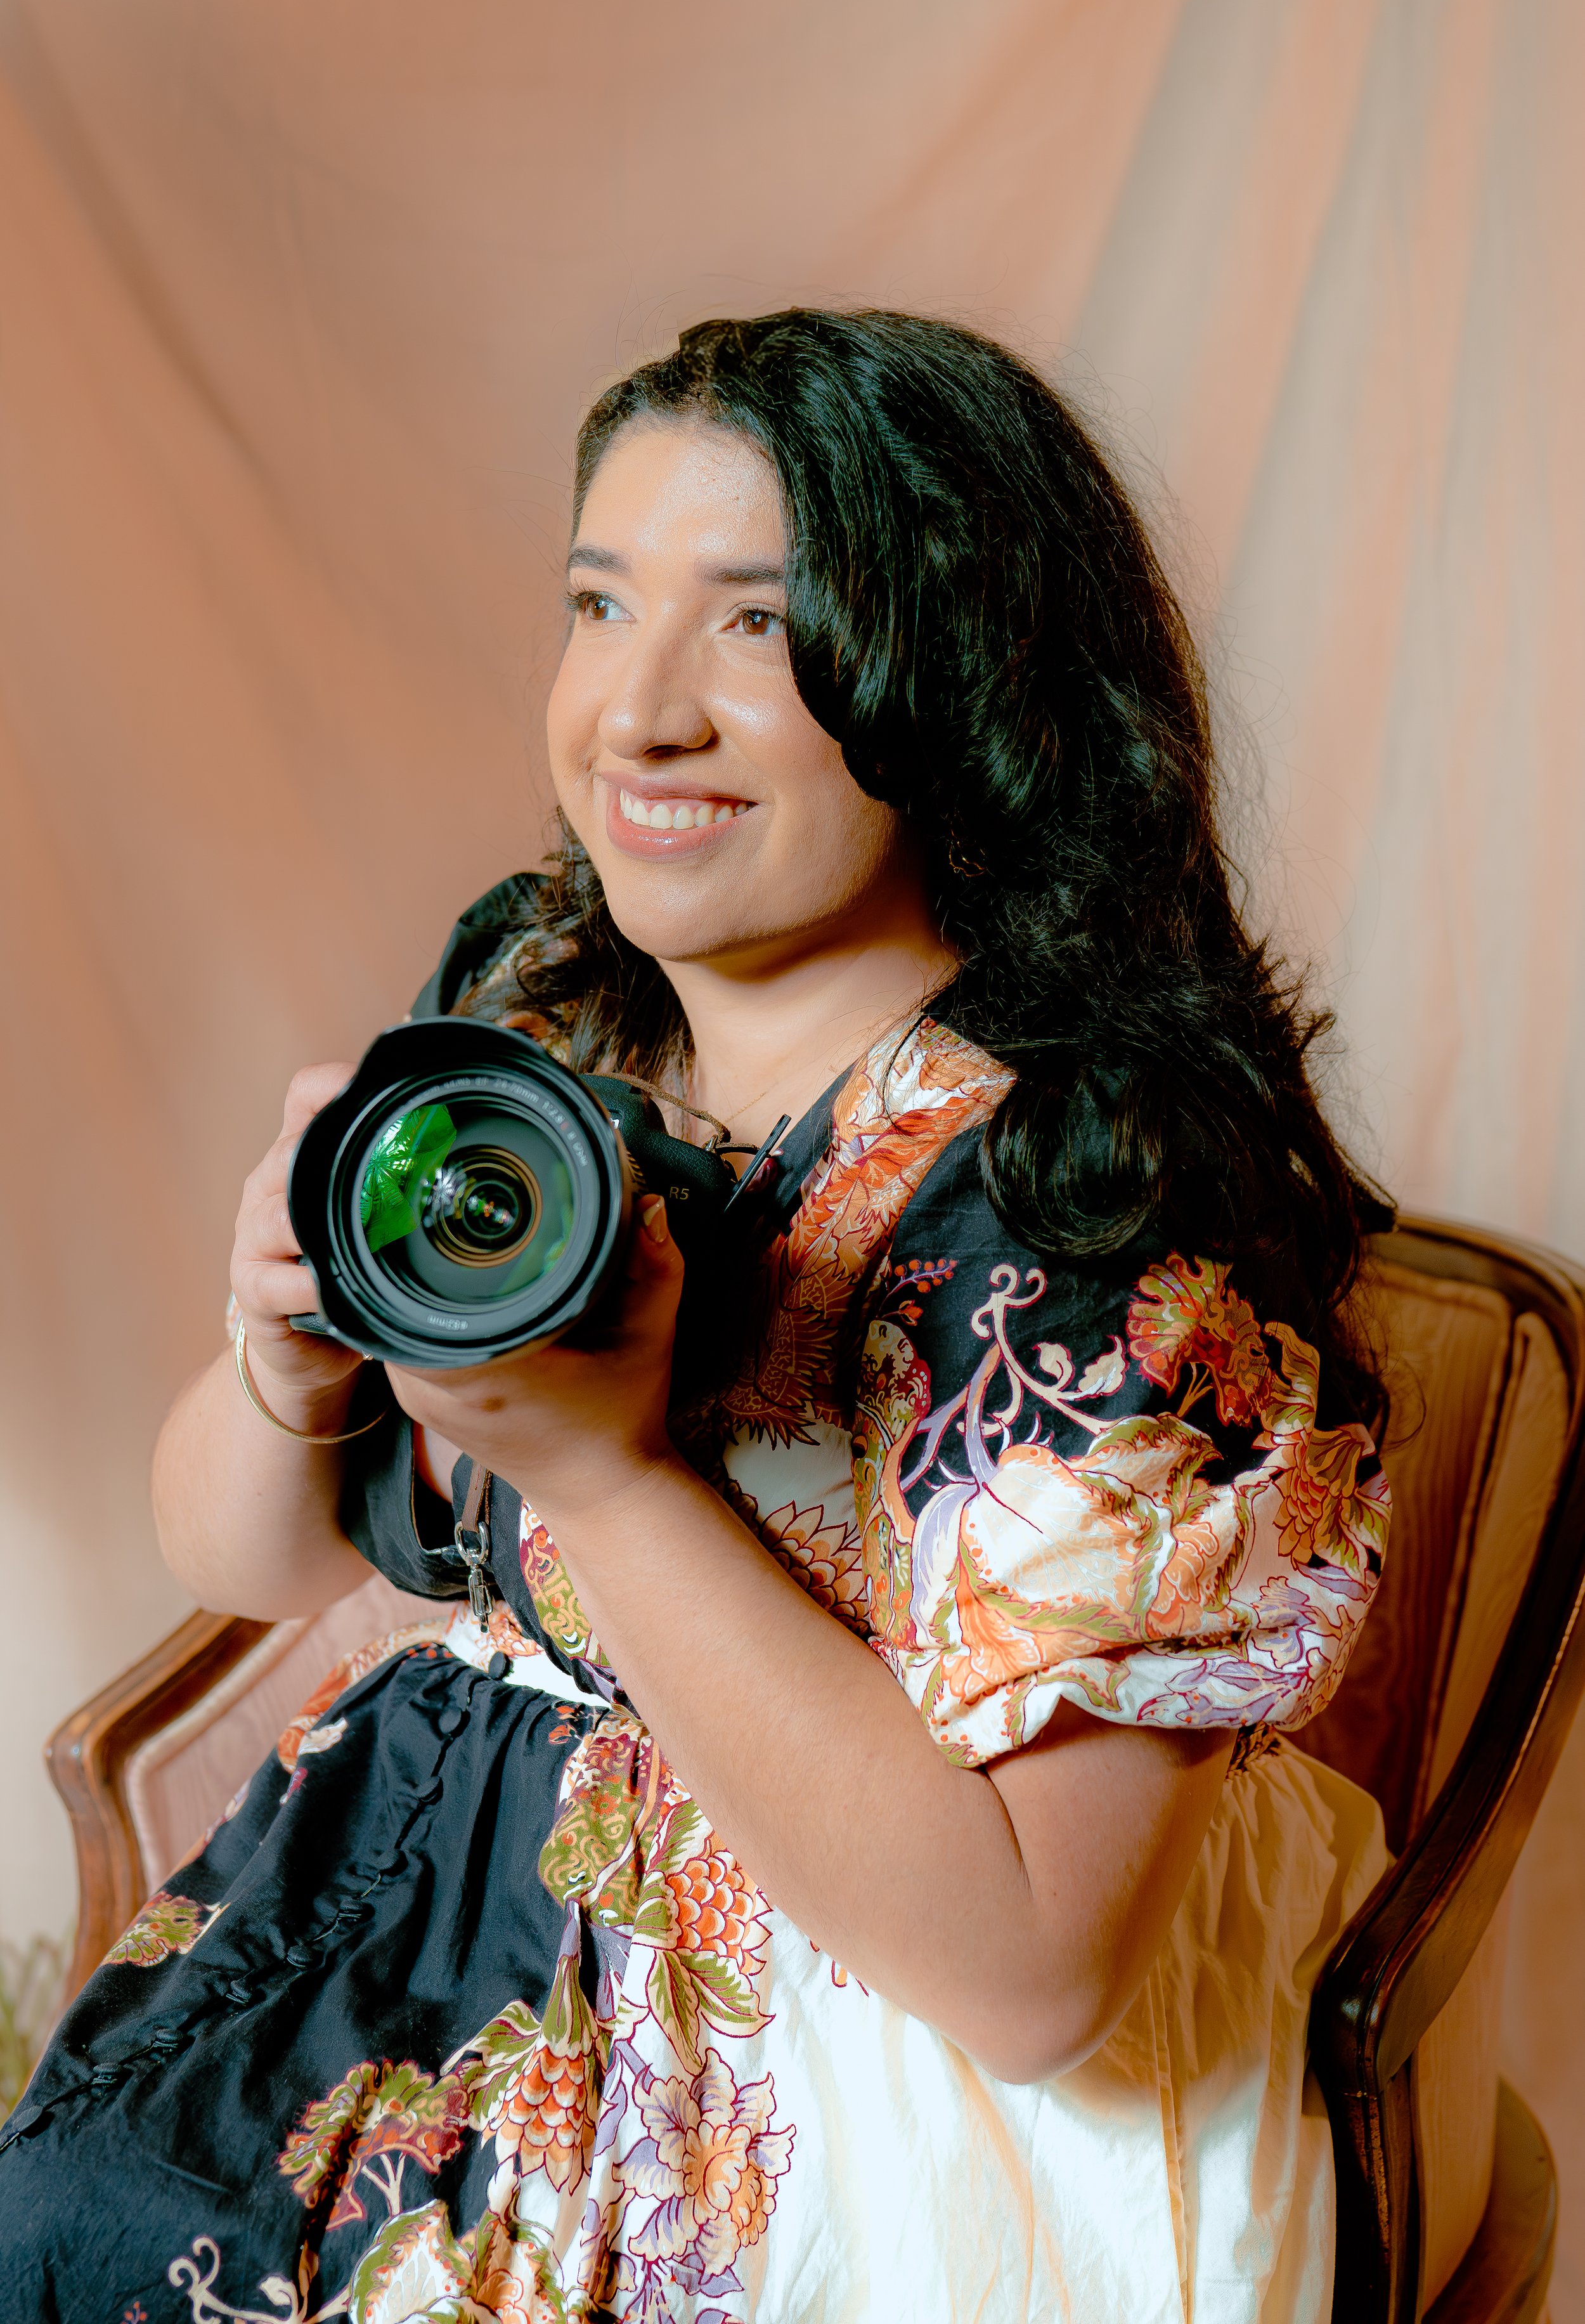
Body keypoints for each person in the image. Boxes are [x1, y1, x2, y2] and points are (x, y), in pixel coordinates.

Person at [1, 309, 1391, 2324]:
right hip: (420, 1892)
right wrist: (285, 1355)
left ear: (968, 674)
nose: (637, 714)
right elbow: (252, 1550)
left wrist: (606, 1478)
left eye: (759, 627)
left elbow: (1027, 1973)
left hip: (846, 2037)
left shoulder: (1097, 1206)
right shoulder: (540, 1004)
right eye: (598, 600)